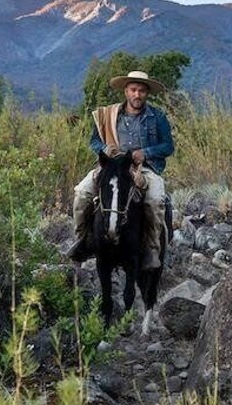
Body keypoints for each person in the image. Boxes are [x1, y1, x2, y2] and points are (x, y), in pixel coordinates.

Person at [67, 70, 174, 269]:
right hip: (112, 166)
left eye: (141, 91)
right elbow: (94, 142)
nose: (137, 95)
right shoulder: (108, 115)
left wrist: (146, 152)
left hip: (145, 169)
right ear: (126, 91)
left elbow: (168, 146)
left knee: (156, 200)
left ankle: (152, 249)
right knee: (82, 193)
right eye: (133, 90)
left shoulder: (157, 117)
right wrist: (104, 148)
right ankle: (82, 240)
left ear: (147, 93)